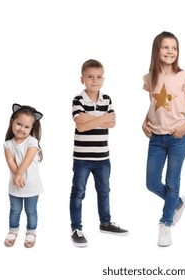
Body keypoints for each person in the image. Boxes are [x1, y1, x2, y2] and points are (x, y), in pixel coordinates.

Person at [142, 31, 185, 247]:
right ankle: (176, 203)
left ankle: (166, 223)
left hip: (178, 138)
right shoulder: (150, 78)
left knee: (172, 181)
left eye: (174, 48)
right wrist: (144, 122)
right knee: (151, 182)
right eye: (165, 47)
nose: (170, 51)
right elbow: (153, 105)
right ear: (157, 50)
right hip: (156, 139)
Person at [70, 59, 128, 248]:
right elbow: (80, 125)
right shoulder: (78, 100)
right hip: (82, 158)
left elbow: (112, 123)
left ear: (103, 79)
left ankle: (105, 222)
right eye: (90, 77)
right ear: (82, 79)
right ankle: (76, 228)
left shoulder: (107, 99)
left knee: (104, 191)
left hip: (103, 157)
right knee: (78, 193)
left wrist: (91, 119)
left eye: (99, 77)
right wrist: (102, 118)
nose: (95, 81)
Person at [3, 104, 44, 248]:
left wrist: (19, 174)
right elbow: (10, 160)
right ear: (12, 122)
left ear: (32, 128)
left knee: (31, 210)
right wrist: (17, 176)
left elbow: (27, 159)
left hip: (31, 185)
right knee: (14, 209)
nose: (21, 128)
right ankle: (13, 231)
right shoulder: (8, 144)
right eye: (19, 124)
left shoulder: (32, 142)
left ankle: (31, 232)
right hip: (15, 185)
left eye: (26, 127)